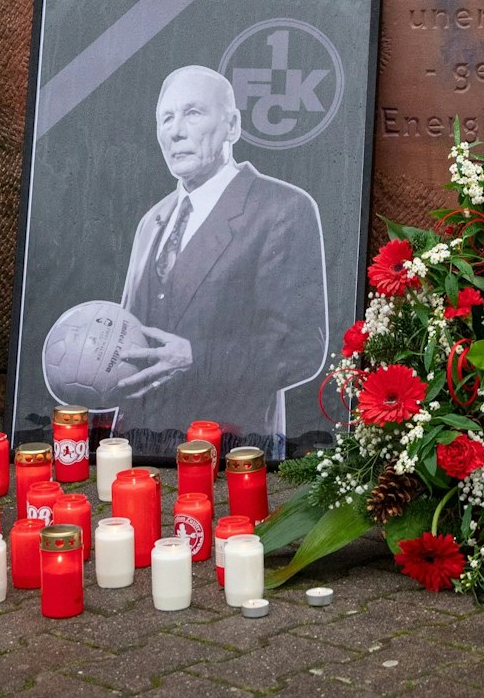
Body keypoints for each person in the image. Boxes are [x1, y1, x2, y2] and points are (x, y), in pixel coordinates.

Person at [113, 64, 329, 453]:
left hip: (233, 458)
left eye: (192, 113)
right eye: (166, 118)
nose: (175, 130)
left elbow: (303, 349)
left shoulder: (282, 208)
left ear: (232, 126)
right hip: (139, 453)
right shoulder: (152, 221)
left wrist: (196, 357)